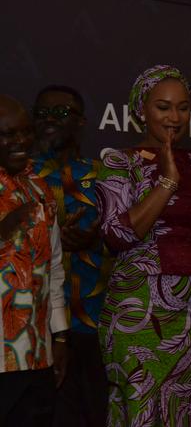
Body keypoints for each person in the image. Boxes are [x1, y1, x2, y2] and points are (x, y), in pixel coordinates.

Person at [96, 66, 191, 426]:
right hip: (140, 309)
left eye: (182, 107)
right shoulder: (120, 162)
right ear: (141, 110)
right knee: (141, 411)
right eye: (163, 107)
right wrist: (166, 182)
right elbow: (117, 235)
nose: (174, 117)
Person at [31, 84, 110, 427]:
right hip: (41, 329)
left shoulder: (105, 176)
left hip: (98, 325)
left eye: (61, 113)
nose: (50, 119)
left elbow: (132, 239)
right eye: (43, 113)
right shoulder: (22, 178)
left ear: (81, 122)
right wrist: (52, 242)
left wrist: (97, 239)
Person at [0, 94, 68, 426]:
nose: (21, 141)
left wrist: (60, 335)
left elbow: (53, 268)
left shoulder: (40, 189)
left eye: (25, 132)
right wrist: (5, 228)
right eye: (8, 134)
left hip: (37, 356)